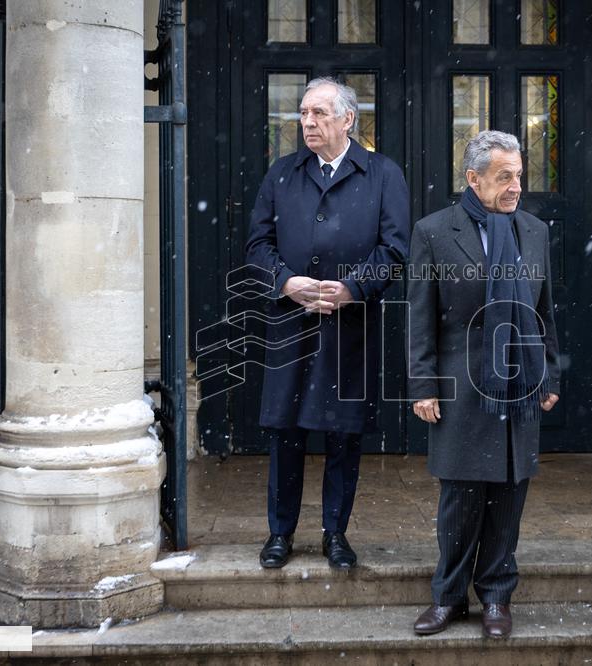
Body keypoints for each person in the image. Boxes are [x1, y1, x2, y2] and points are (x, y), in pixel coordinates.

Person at [245, 77, 409, 570]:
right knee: (285, 432)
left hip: (349, 327)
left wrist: (352, 288)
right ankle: (280, 533)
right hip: (291, 324)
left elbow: (394, 250)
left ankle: (335, 533)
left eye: (319, 113)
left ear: (347, 120)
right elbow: (257, 247)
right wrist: (286, 282)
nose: (308, 122)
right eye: (303, 113)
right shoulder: (282, 174)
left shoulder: (383, 175)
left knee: (343, 433)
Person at [406, 130, 560, 639]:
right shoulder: (434, 232)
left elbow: (543, 312)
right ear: (473, 179)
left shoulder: (533, 230)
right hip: (461, 383)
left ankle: (496, 596)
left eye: (519, 175)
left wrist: (549, 373)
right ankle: (448, 597)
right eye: (504, 177)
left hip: (521, 382)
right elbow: (420, 318)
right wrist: (423, 385)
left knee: (509, 496)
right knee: (461, 497)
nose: (516, 186)